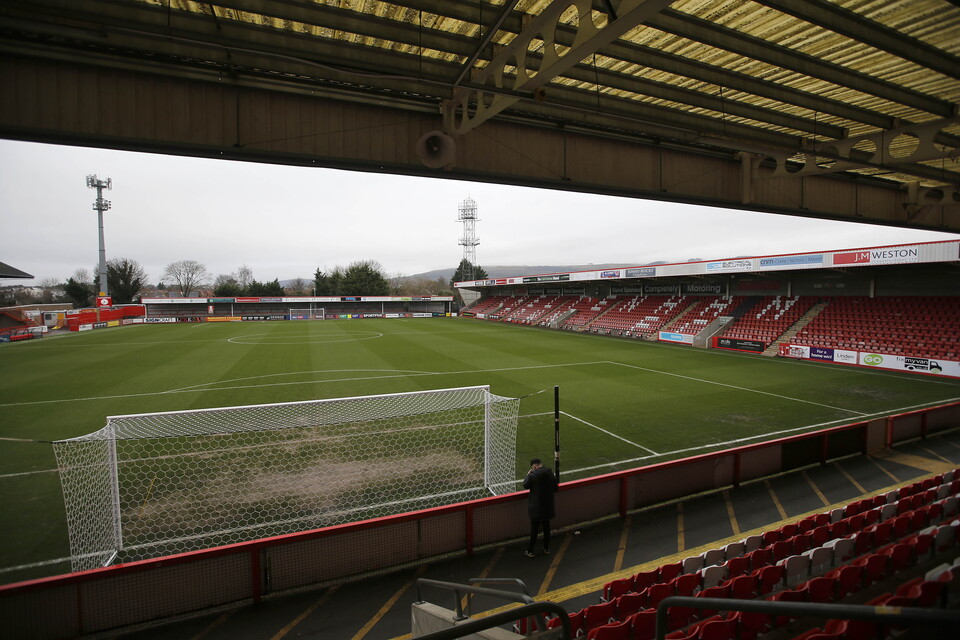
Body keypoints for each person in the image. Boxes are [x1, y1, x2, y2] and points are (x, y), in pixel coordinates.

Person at [523, 457, 558, 557]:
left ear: (534, 467)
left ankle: (530, 551)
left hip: (536, 508)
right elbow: (556, 488)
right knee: (546, 528)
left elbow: (525, 485)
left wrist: (528, 475)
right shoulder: (550, 474)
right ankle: (546, 548)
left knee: (534, 530)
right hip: (548, 507)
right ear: (540, 464)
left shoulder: (533, 476)